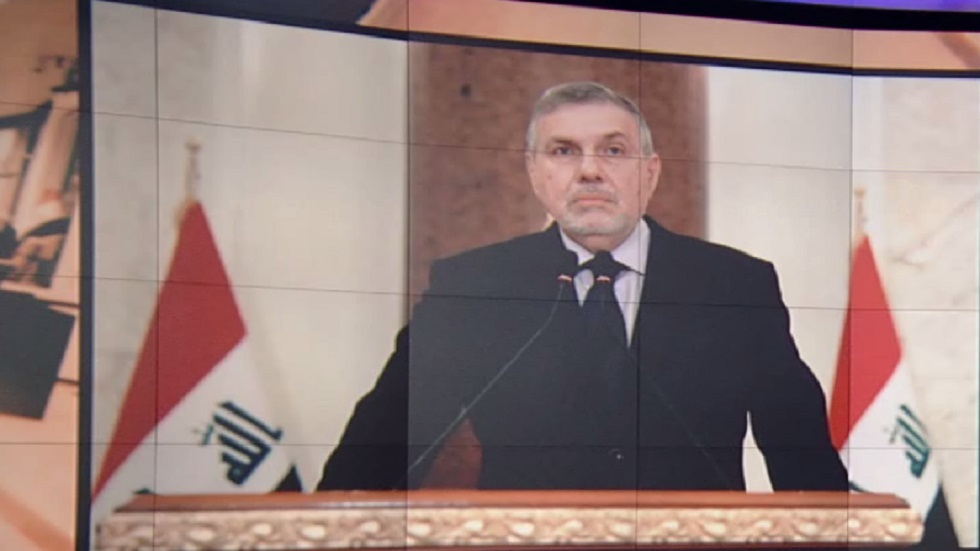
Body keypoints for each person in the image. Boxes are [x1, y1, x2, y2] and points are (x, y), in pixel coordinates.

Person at [317, 81, 848, 492]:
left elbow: (801, 457)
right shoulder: (473, 286)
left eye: (613, 151)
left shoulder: (735, 285)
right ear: (535, 173)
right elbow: (380, 447)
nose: (590, 170)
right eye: (564, 151)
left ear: (650, 172)